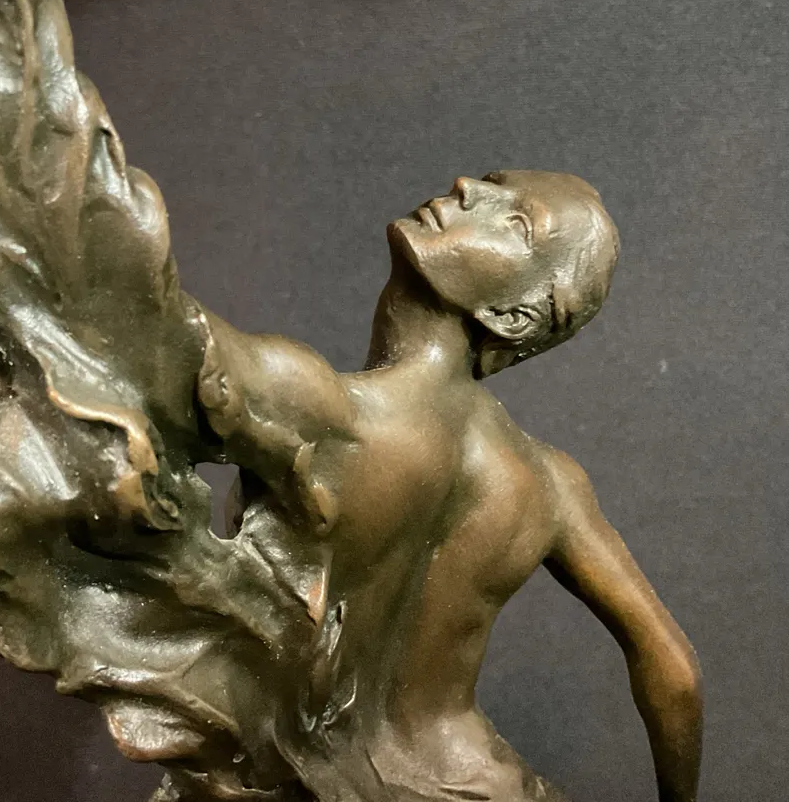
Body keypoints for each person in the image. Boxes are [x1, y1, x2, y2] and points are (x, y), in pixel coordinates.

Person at [196, 171, 703, 802]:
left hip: (298, 780)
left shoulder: (308, 404)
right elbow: (675, 670)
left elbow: (142, 333)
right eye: (491, 182)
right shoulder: (551, 484)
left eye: (517, 223)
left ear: (512, 314)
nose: (466, 187)